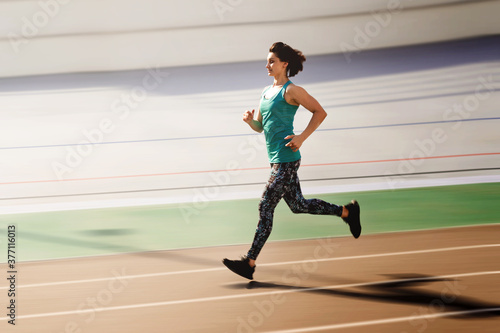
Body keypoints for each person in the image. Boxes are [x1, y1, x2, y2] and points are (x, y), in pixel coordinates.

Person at [223, 42, 361, 280]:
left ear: (284, 64)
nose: (267, 65)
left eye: (272, 61)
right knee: (299, 206)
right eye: (267, 61)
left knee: (266, 205)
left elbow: (320, 112)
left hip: (287, 159)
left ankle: (250, 261)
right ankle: (348, 212)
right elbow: (260, 126)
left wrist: (302, 138)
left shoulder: (291, 91)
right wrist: (249, 121)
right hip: (275, 161)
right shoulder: (265, 93)